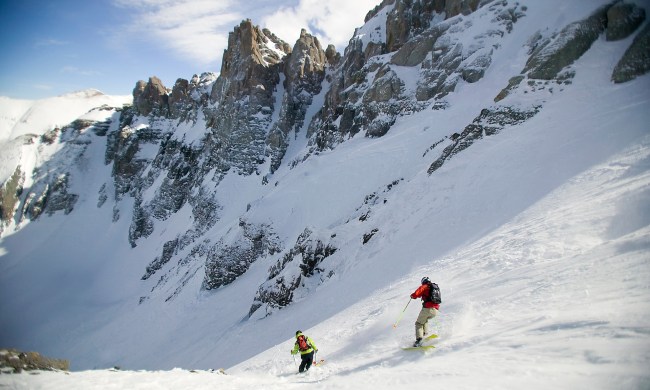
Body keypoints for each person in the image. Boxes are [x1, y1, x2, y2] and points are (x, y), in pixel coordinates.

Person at [410, 276, 440, 347]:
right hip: (435, 310)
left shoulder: (425, 286)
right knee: (424, 320)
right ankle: (425, 335)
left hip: (427, 309)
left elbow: (417, 293)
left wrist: (412, 296)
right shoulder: (434, 287)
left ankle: (419, 340)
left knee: (418, 323)